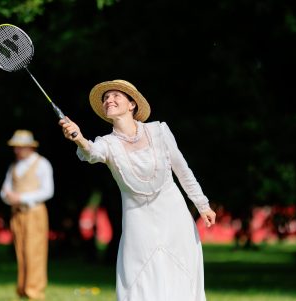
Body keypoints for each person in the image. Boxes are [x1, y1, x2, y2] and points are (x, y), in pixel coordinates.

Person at [59, 79, 217, 301]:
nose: (108, 100)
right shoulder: (107, 143)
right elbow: (92, 153)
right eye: (105, 98)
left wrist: (203, 205)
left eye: (115, 96)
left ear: (132, 104)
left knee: (180, 271)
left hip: (173, 215)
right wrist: (79, 138)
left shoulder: (159, 131)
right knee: (139, 275)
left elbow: (183, 170)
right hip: (138, 220)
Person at [0, 129, 54, 300]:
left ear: (30, 147)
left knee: (35, 251)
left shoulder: (42, 163)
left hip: (34, 212)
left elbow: (47, 191)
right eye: (15, 147)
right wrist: (9, 198)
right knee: (21, 251)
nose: (16, 150)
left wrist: (21, 197)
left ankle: (35, 291)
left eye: (20, 147)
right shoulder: (14, 166)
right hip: (17, 213)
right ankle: (23, 289)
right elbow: (5, 189)